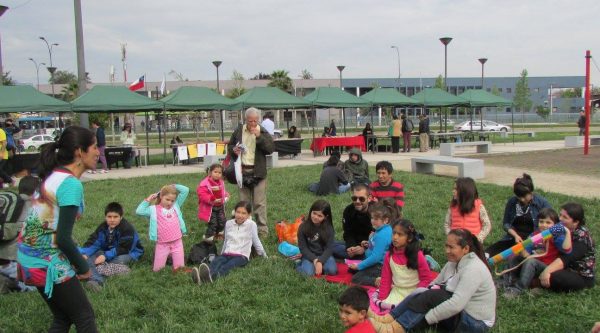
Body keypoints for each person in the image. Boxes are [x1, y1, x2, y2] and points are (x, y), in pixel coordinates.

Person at [17, 126, 99, 332]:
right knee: (85, 317)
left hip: (27, 258)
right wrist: (83, 267)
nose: (99, 152)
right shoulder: (70, 184)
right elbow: (62, 238)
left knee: (63, 318)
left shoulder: (55, 175)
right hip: (46, 261)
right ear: (80, 152)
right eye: (95, 147)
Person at [369, 229, 496, 333]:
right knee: (423, 292)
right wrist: (421, 295)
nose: (447, 251)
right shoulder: (454, 262)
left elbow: (456, 304)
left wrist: (427, 318)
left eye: (451, 247)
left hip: (475, 323)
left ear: (466, 249)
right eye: (446, 246)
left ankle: (395, 329)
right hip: (460, 313)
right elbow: (434, 284)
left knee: (434, 296)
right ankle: (388, 318)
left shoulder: (473, 269)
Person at [502, 208, 572, 298]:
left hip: (548, 268)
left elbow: (566, 250)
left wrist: (567, 233)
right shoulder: (535, 235)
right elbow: (526, 254)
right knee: (513, 256)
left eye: (548, 222)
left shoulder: (557, 236)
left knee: (531, 261)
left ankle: (518, 289)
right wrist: (521, 248)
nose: (544, 225)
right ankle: (505, 281)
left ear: (555, 224)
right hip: (531, 265)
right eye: (541, 222)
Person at [192, 201, 267, 284]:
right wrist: (221, 254)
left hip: (241, 256)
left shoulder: (251, 225)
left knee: (227, 266)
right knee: (216, 262)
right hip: (227, 253)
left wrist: (264, 256)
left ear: (249, 215)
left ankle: (212, 278)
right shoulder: (228, 223)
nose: (240, 215)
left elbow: (256, 241)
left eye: (244, 213)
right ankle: (202, 277)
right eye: (238, 212)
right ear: (234, 212)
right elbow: (226, 241)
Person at [227, 107, 275, 237]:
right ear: (245, 119)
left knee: (259, 203)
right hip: (242, 171)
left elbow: (270, 149)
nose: (253, 124)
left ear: (258, 120)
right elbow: (230, 145)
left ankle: (262, 230)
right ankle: (245, 229)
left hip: (258, 172)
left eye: (255, 121)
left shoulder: (262, 131)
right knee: (244, 203)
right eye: (250, 121)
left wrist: (259, 137)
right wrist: (234, 150)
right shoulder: (239, 130)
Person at [79, 202, 144, 290]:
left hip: (130, 252)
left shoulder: (127, 229)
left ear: (121, 217)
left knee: (118, 259)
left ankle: (96, 279)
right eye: (109, 217)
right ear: (105, 217)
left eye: (115, 217)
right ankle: (96, 274)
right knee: (89, 256)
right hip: (107, 251)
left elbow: (124, 248)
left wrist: (105, 256)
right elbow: (94, 242)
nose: (112, 220)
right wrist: (84, 253)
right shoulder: (103, 227)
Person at [486, 173, 551, 257]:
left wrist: (533, 239)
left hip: (532, 240)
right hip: (514, 238)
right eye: (519, 196)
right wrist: (515, 235)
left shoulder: (541, 203)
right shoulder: (512, 202)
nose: (522, 199)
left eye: (524, 196)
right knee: (488, 253)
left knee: (518, 256)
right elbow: (506, 223)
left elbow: (551, 222)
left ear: (531, 192)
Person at [374, 219, 434, 308]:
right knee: (384, 311)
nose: (395, 237)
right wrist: (382, 299)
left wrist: (415, 296)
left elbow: (426, 279)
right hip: (397, 291)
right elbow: (386, 280)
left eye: (400, 234)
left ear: (409, 238)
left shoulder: (417, 255)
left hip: (415, 293)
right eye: (394, 233)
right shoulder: (389, 255)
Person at [539, 202, 595, 292]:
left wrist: (547, 270)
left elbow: (567, 258)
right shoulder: (560, 228)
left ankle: (538, 284)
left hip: (579, 275)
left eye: (565, 217)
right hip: (560, 265)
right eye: (560, 215)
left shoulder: (582, 237)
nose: (560, 219)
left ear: (576, 222)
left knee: (554, 276)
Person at [136, 184, 190, 272]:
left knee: (180, 269)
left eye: (172, 200)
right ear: (161, 196)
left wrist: (174, 185)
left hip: (177, 242)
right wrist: (148, 199)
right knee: (158, 270)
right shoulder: (153, 209)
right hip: (162, 244)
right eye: (167, 199)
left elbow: (185, 190)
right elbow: (139, 211)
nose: (170, 203)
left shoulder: (176, 206)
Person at [0, 176, 39, 293]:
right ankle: (9, 281)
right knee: (37, 286)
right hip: (13, 263)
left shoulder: (11, 204)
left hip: (4, 259)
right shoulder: (35, 210)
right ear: (36, 192)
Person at [347, 201, 394, 286]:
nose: (372, 221)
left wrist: (359, 266)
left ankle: (378, 281)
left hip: (379, 266)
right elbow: (379, 247)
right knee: (351, 269)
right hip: (375, 262)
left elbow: (376, 257)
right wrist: (369, 243)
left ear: (386, 220)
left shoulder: (382, 235)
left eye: (376, 219)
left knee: (355, 278)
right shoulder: (383, 229)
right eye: (372, 218)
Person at [296, 200, 338, 277]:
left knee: (332, 271)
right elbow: (303, 248)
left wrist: (320, 261)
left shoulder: (329, 228)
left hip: (324, 255)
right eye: (314, 213)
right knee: (308, 274)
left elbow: (329, 248)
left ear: (326, 217)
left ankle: (316, 267)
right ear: (310, 211)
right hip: (309, 256)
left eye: (320, 216)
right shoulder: (303, 227)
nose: (315, 217)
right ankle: (299, 265)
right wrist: (315, 260)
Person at [444, 177, 492, 243]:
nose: (453, 191)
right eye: (453, 188)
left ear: (465, 191)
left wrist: (478, 238)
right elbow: (447, 224)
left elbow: (487, 224)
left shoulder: (478, 206)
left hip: (473, 244)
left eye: (456, 189)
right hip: (456, 244)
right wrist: (451, 237)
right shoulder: (452, 207)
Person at [333, 184, 374, 259]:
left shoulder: (376, 213)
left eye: (361, 199)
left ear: (369, 198)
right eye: (354, 198)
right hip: (355, 244)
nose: (357, 201)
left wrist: (364, 248)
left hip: (371, 248)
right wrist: (351, 247)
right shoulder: (349, 210)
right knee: (328, 244)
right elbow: (348, 233)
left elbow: (381, 238)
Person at [197, 163, 229, 242]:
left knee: (222, 221)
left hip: (220, 206)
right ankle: (208, 237)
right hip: (210, 208)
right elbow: (202, 194)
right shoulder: (205, 183)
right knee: (213, 223)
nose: (217, 174)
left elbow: (223, 192)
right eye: (215, 172)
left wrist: (226, 196)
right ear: (210, 172)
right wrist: (211, 199)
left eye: (219, 173)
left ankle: (218, 234)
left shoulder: (221, 182)